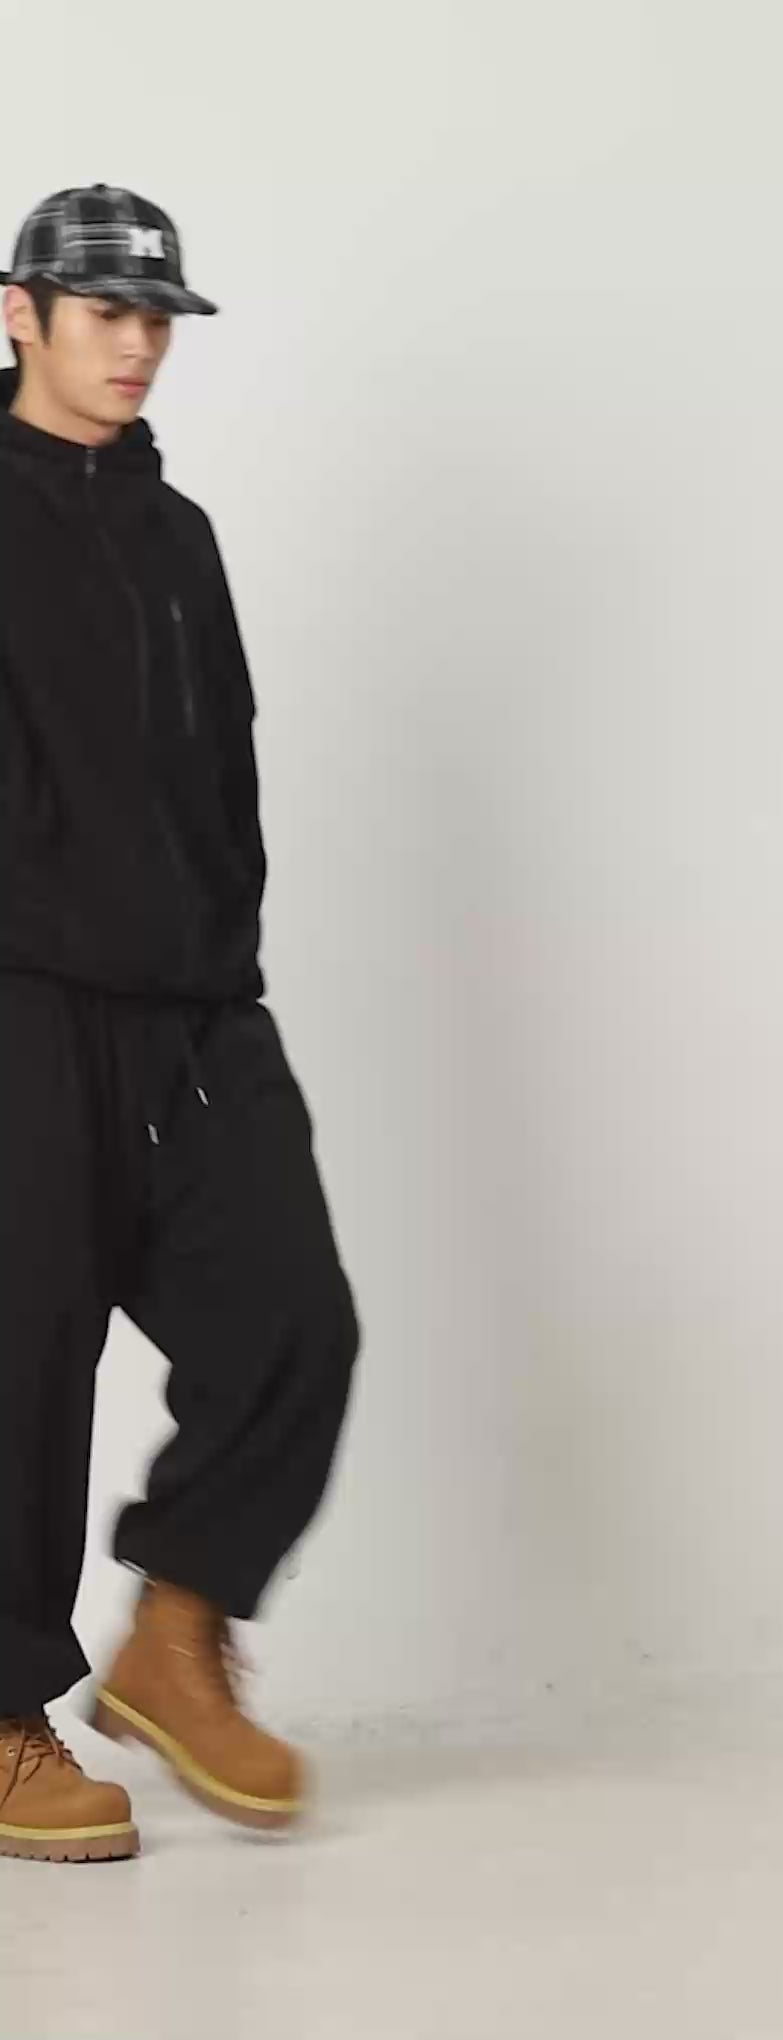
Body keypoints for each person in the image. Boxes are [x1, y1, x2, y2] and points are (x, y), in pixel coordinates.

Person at [0, 185, 360, 1863]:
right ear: (21, 312)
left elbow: (225, 775)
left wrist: (227, 957)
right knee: (20, 1357)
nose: (138, 345)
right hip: (20, 995)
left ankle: (177, 1631)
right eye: (106, 314)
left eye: (157, 318)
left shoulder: (179, 535)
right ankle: (1, 1717)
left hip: (199, 1005)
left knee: (296, 1318)